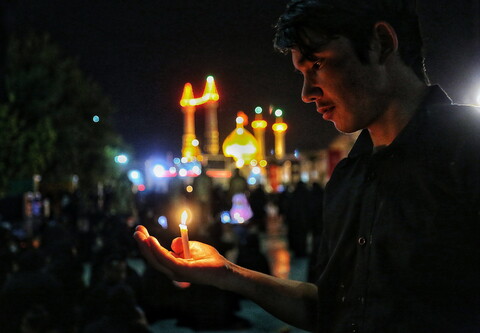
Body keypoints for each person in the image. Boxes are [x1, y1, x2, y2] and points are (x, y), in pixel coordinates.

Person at [133, 0, 480, 332]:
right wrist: (226, 273)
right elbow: (330, 308)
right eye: (301, 72)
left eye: (317, 65)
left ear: (381, 43)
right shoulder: (349, 177)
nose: (306, 92)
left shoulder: (466, 153)